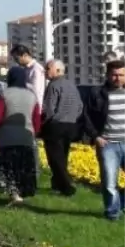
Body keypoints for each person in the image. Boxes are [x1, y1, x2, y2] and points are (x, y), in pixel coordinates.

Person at [0, 66, 41, 205]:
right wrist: (33, 133)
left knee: (8, 167)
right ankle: (20, 193)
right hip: (26, 136)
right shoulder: (32, 96)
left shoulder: (4, 94)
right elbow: (36, 118)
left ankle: (13, 194)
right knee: (22, 167)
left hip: (6, 137)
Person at [81, 59, 125, 220]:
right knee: (109, 183)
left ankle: (120, 203)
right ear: (107, 75)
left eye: (121, 75)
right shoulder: (97, 93)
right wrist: (96, 137)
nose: (118, 78)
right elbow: (85, 117)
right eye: (114, 75)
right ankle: (113, 213)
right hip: (108, 144)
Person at [40, 59, 82, 196]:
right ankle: (57, 185)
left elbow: (49, 109)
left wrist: (42, 123)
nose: (45, 71)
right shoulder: (71, 85)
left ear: (57, 70)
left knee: (55, 158)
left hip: (55, 125)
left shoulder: (53, 85)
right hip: (71, 125)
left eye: (47, 68)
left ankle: (67, 186)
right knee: (62, 156)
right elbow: (80, 106)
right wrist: (72, 118)